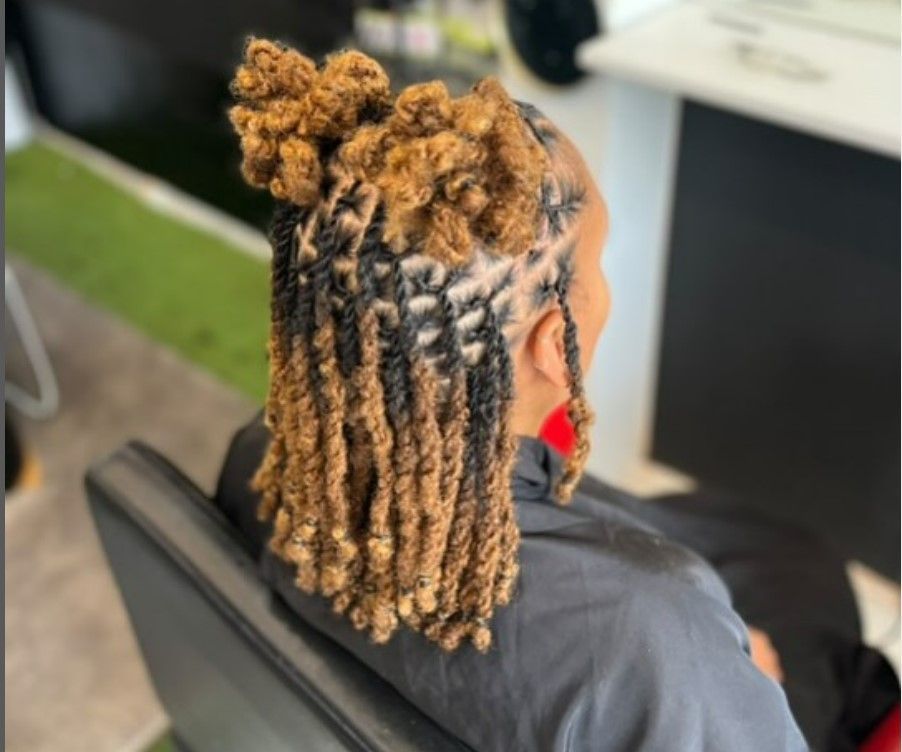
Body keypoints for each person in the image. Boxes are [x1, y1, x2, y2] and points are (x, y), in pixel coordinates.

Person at [216, 38, 897, 751]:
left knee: (784, 554)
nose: (606, 290)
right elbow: (669, 663)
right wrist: (729, 682)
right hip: (682, 674)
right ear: (551, 344)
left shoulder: (260, 461)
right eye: (596, 264)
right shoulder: (652, 645)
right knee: (823, 617)